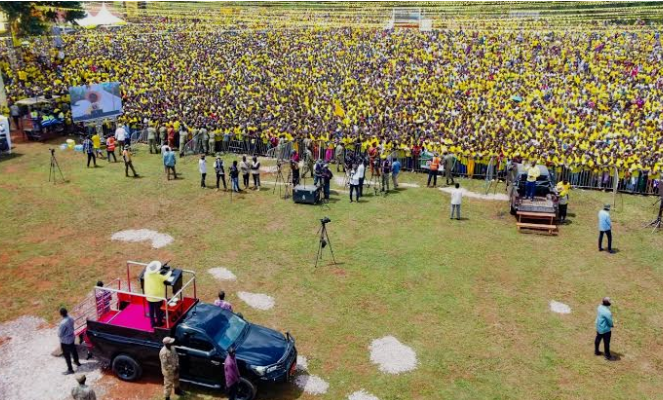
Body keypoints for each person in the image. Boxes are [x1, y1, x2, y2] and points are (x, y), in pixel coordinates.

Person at [144, 261, 171, 327]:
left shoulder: (146, 274)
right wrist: (170, 272)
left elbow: (154, 274)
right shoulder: (159, 277)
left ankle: (152, 324)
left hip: (149, 296)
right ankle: (159, 323)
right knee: (158, 311)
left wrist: (159, 271)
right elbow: (166, 277)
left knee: (151, 310)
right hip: (157, 297)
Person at [58, 307, 81, 375]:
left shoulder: (63, 323)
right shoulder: (71, 318)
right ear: (66, 312)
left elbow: (60, 334)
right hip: (72, 337)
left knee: (67, 355)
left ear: (61, 314)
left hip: (65, 341)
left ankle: (70, 369)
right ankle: (77, 362)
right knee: (74, 350)